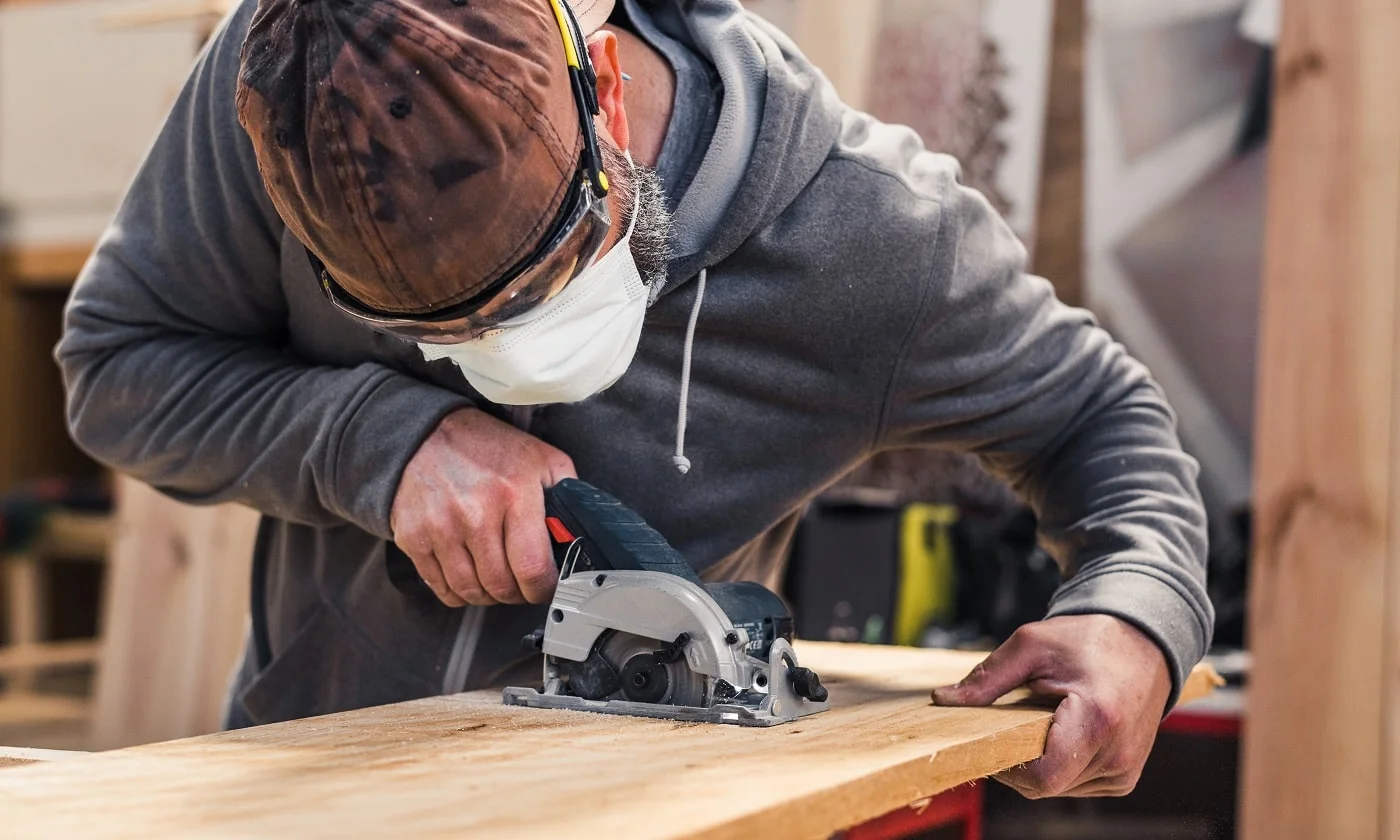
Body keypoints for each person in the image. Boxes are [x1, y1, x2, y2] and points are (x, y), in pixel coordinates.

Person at [55, 0, 1213, 800]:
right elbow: (120, 365)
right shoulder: (309, 81)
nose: (489, 359)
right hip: (318, 791)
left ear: (600, 84)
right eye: (431, 338)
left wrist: (1132, 611)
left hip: (667, 810)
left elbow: (1097, 420)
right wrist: (378, 439)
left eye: (537, 284)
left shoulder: (866, 241)